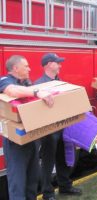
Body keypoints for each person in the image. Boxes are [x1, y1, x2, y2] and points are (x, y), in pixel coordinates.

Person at [0, 55, 54, 200]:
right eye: (26, 66)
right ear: (15, 68)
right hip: (15, 142)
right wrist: (37, 92)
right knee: (17, 184)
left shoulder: (27, 84)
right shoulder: (5, 81)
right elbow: (12, 91)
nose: (30, 69)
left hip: (32, 139)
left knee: (32, 182)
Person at [35, 53, 82, 200]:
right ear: (49, 64)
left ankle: (65, 186)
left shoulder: (59, 81)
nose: (60, 65)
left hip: (63, 127)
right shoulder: (39, 85)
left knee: (63, 158)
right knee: (48, 163)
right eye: (58, 63)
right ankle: (47, 193)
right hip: (49, 131)